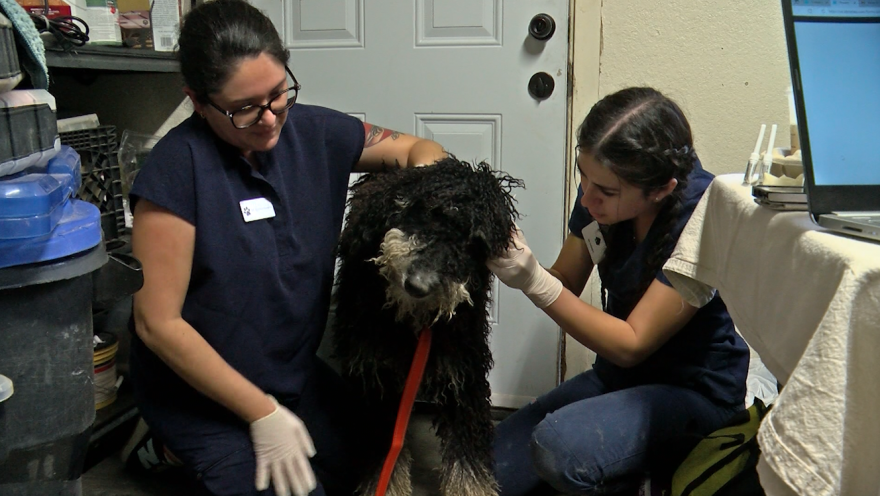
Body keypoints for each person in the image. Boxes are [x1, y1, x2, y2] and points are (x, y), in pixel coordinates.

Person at [122, 0, 446, 495]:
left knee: (374, 462)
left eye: (278, 94)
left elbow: (416, 150)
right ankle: (169, 443)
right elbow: (157, 325)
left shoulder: (314, 132)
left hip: (290, 373)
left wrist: (424, 200)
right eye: (244, 108)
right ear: (196, 100)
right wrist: (262, 412)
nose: (270, 118)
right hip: (196, 394)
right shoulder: (174, 173)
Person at [487, 87, 750, 495]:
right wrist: (520, 261)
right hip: (618, 377)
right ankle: (625, 471)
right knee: (492, 470)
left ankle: (644, 476)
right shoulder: (601, 190)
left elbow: (631, 343)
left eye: (605, 192)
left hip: (693, 394)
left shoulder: (704, 216)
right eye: (582, 175)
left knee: (560, 447)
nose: (587, 197)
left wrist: (533, 282)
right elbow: (567, 282)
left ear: (661, 189)